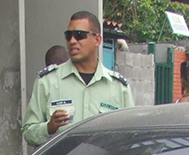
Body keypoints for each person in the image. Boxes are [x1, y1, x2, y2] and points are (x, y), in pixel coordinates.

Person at [23, 11, 133, 146]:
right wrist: (49, 128)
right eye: (68, 36)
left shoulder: (119, 88)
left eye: (79, 35)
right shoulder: (47, 82)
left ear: (97, 40)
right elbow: (28, 133)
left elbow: (131, 137)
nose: (72, 41)